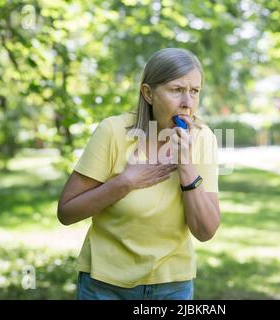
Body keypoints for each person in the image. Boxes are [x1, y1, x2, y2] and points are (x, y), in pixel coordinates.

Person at [57, 48, 220, 300]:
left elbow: (205, 231)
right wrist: (125, 182)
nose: (188, 102)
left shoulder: (203, 139)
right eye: (176, 90)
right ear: (148, 93)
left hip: (172, 285)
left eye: (194, 91)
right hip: (105, 285)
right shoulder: (112, 132)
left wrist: (186, 165)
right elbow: (66, 212)